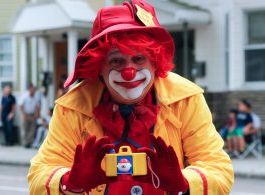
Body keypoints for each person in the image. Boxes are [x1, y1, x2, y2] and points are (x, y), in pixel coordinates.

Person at [28, 1, 233, 194]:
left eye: (138, 59)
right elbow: (39, 174)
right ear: (99, 66)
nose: (129, 72)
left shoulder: (185, 99)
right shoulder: (73, 106)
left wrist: (184, 184)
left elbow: (217, 167)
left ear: (155, 61)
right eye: (116, 61)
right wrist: (69, 182)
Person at [20, 83, 41, 148]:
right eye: (32, 90)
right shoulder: (24, 96)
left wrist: (36, 115)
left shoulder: (36, 97)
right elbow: (21, 105)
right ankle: (25, 143)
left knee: (32, 129)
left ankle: (29, 142)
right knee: (25, 129)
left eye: (34, 90)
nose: (33, 91)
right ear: (29, 89)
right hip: (25, 114)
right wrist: (24, 115)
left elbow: (38, 107)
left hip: (32, 114)